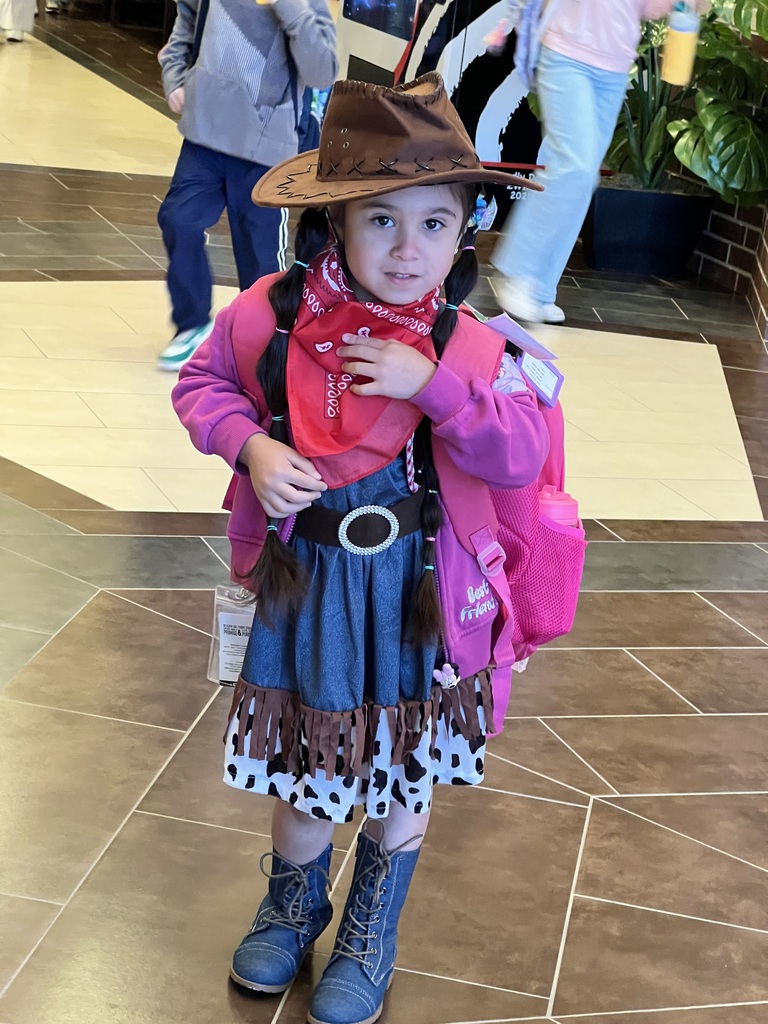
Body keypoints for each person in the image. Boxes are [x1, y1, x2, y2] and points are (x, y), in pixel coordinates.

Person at [172, 73, 549, 1024]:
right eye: (380, 219)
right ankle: (293, 903)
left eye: (435, 221)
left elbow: (520, 452)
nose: (408, 247)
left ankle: (371, 926)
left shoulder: (472, 344)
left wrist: (437, 387)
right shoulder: (273, 315)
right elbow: (203, 389)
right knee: (305, 757)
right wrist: (250, 447)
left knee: (403, 768)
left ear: (466, 229)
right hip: (308, 586)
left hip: (423, 593)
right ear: (333, 223)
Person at [156, 0, 338, 372]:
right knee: (179, 220)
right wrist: (175, 77)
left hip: (266, 147)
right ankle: (192, 324)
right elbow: (186, 26)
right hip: (203, 133)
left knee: (259, 253)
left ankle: (260, 341)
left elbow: (322, 72)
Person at [492, 0, 695, 323]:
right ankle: (519, 272)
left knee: (583, 177)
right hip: (566, 55)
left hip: (613, 68)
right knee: (574, 167)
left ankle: (542, 289)